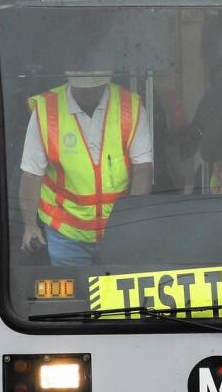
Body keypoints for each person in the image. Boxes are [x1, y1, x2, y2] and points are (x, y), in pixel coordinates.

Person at [19, 72, 151, 265]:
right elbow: (31, 174)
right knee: (74, 294)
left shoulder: (129, 105)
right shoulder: (47, 109)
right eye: (83, 88)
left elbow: (143, 168)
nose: (89, 92)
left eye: (94, 87)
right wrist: (30, 226)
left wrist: (135, 221)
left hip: (117, 231)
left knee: (114, 294)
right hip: (66, 235)